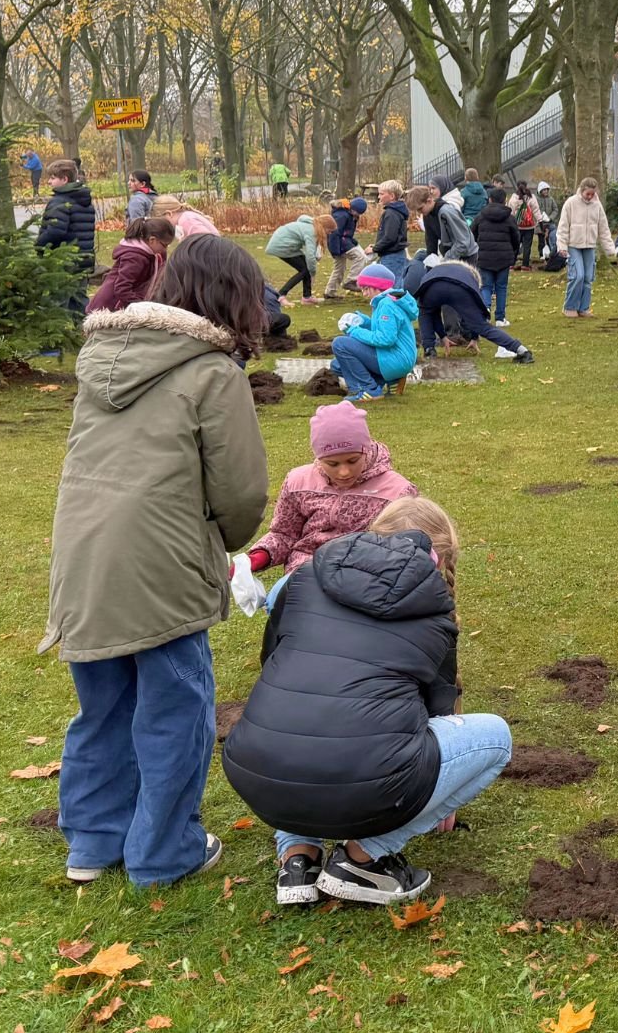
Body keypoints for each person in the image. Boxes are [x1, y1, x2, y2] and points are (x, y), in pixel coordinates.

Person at [38, 234, 270, 886]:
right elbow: (241, 491)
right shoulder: (213, 372)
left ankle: (93, 841)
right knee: (176, 710)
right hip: (160, 564)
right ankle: (164, 851)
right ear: (233, 297)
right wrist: (223, 540)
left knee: (103, 705)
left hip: (84, 558)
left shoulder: (102, 357)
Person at [222, 497, 511, 907]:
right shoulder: (435, 613)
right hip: (365, 782)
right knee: (496, 737)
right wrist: (443, 785)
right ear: (441, 559)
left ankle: (297, 860)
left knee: (304, 720)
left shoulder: (301, 578)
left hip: (256, 773)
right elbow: (438, 713)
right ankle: (360, 860)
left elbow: (272, 661)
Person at [244, 400, 418, 606]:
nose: (343, 472)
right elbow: (284, 533)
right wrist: (258, 556)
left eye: (353, 460)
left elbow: (406, 550)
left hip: (366, 576)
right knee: (279, 602)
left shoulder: (398, 491)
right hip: (305, 571)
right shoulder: (298, 482)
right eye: (332, 464)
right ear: (318, 457)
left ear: (366, 449)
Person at [401, 257, 535, 364]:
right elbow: (478, 312)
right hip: (459, 289)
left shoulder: (440, 268)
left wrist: (442, 336)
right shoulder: (471, 278)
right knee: (484, 327)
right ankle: (522, 351)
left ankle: (429, 350)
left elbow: (432, 313)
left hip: (431, 286)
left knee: (425, 312)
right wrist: (475, 335)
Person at [330, 261, 420, 402]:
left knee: (340, 344)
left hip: (395, 358)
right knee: (337, 365)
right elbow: (386, 329)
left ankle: (368, 389)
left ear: (377, 287)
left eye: (366, 289)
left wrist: (354, 331)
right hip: (398, 358)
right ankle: (392, 380)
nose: (364, 294)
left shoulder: (386, 305)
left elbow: (385, 339)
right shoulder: (388, 301)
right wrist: (365, 321)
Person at [35, 158, 98, 321]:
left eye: (52, 178)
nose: (49, 182)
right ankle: (81, 329)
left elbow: (55, 231)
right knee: (79, 296)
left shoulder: (60, 201)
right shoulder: (85, 200)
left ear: (64, 179)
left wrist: (39, 244)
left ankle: (60, 332)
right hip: (84, 256)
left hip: (64, 258)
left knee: (59, 297)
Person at [89, 215, 176, 313]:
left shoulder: (151, 255)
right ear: (152, 240)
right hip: (109, 308)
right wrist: (141, 307)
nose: (166, 249)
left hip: (123, 306)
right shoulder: (135, 258)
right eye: (165, 245)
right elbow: (122, 288)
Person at [556, 176, 614, 318]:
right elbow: (563, 227)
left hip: (589, 246)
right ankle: (569, 306)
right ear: (581, 191)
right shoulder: (570, 203)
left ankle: (583, 308)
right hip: (573, 245)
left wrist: (610, 249)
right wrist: (562, 246)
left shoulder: (597, 206)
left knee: (588, 277)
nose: (590, 197)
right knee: (577, 276)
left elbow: (603, 228)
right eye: (587, 194)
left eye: (592, 194)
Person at [472, 185, 520, 325]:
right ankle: (500, 317)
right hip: (504, 257)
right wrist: (513, 253)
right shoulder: (509, 218)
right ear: (505, 200)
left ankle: (485, 312)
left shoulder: (481, 216)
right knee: (501, 287)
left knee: (486, 286)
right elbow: (516, 238)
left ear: (490, 199)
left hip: (485, 256)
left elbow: (472, 233)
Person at [324, 196, 372, 299]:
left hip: (343, 243)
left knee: (339, 268)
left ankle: (330, 292)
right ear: (352, 208)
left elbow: (347, 233)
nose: (357, 215)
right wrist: (335, 250)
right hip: (340, 244)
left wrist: (352, 241)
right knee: (360, 257)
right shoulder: (341, 215)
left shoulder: (349, 214)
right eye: (357, 212)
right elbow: (334, 233)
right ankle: (351, 280)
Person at [264, 213, 320, 301]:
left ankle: (307, 296)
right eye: (330, 231)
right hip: (282, 247)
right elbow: (310, 255)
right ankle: (281, 294)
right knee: (305, 270)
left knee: (305, 268)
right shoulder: (311, 231)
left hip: (285, 245)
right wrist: (313, 273)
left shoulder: (309, 226)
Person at [370, 180, 412, 264]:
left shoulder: (391, 213)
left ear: (392, 196)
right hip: (392, 255)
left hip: (392, 258)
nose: (378, 197)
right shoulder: (395, 212)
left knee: (393, 277)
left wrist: (374, 249)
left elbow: (390, 238)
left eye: (381, 194)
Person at [153, 193, 218, 238]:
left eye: (161, 222)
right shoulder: (180, 224)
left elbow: (206, 242)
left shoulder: (187, 220)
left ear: (169, 214)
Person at [513, 181, 540, 268]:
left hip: (518, 226)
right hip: (529, 226)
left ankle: (511, 263)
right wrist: (540, 220)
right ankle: (525, 265)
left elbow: (511, 210)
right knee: (527, 246)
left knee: (515, 244)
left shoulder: (514, 197)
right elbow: (536, 210)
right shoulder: (531, 197)